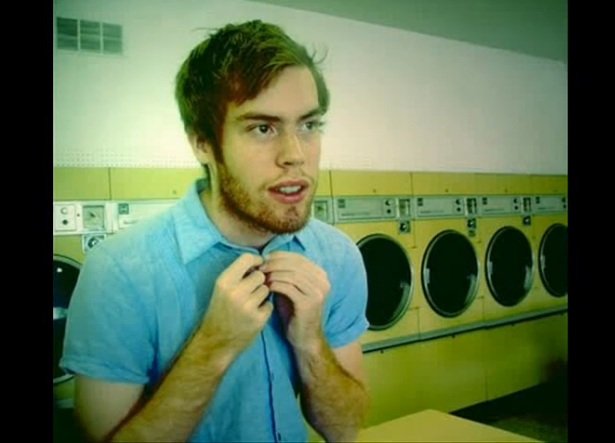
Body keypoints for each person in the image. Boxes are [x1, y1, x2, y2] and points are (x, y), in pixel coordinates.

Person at [60, 19, 370, 443]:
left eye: (309, 125)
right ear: (203, 143)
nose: (295, 155)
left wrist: (311, 343)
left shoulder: (337, 255)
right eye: (263, 128)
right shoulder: (120, 272)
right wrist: (213, 346)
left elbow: (347, 427)